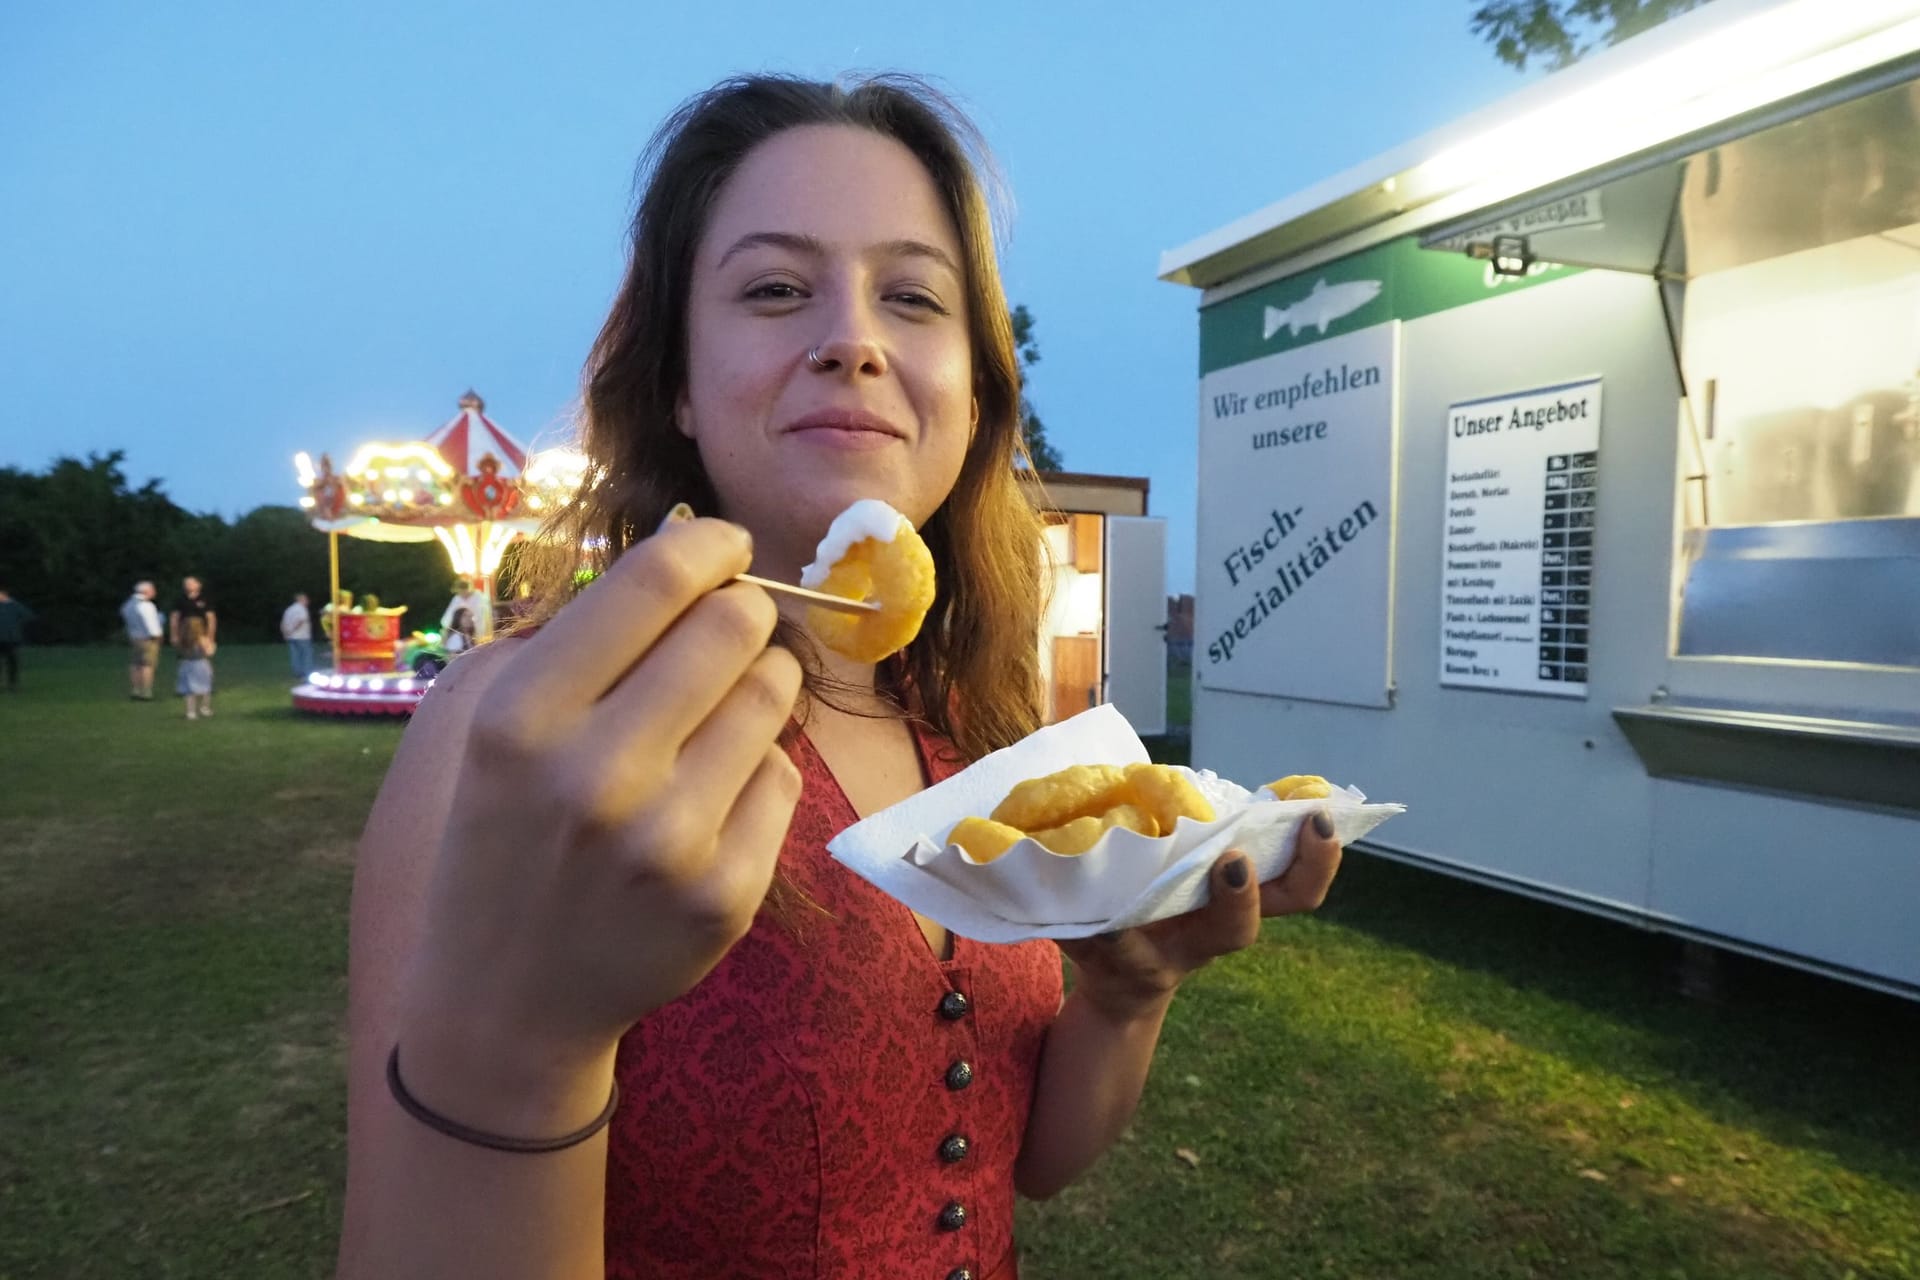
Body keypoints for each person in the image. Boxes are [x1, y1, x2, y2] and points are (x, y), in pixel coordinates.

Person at [337, 75, 1344, 1280]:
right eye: (773, 289)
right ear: (677, 385)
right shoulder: (521, 736)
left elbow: (1017, 1164)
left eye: (914, 296)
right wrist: (527, 1040)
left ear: (973, 398)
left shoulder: (980, 732)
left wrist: (1127, 999)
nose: (855, 339)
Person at [168, 576, 217, 719]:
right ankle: (204, 708)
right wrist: (175, 635)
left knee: (190, 686)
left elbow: (211, 619)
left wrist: (210, 636)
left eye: (191, 583)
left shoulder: (205, 599)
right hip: (188, 638)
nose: (188, 585)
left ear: (198, 585)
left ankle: (191, 711)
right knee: (205, 685)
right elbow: (175, 618)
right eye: (186, 583)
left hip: (192, 642)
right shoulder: (180, 600)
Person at [120, 580, 164, 700]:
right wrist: (158, 637)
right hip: (147, 639)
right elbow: (152, 625)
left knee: (135, 664)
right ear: (146, 591)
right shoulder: (146, 605)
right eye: (152, 590)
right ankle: (146, 691)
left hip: (134, 638)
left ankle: (135, 690)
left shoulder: (127, 605)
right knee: (147, 665)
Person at [0, 588, 34, 691]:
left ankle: (12, 684)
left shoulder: (14, 605)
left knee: (12, 662)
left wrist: (17, 624)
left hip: (11, 639)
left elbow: (28, 615)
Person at [282, 592, 314, 678]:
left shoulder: (289, 609)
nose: (308, 601)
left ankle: (297, 672)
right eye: (306, 599)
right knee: (306, 655)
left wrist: (285, 633)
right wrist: (293, 630)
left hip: (291, 637)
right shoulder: (302, 609)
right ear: (301, 600)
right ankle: (307, 673)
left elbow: (283, 623)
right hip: (302, 636)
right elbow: (301, 620)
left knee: (295, 656)